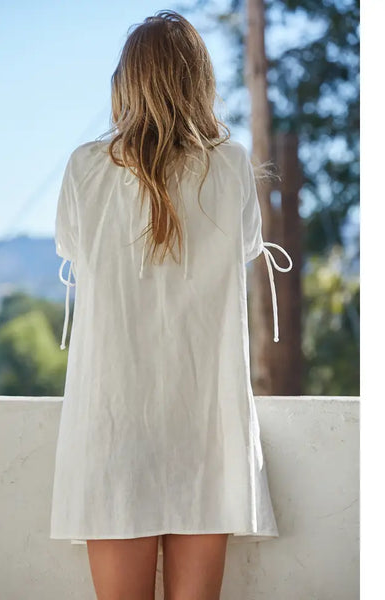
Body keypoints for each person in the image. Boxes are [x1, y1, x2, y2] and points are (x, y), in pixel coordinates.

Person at [50, 9, 292, 600]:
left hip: (111, 420)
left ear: (126, 81)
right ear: (199, 80)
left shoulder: (85, 168)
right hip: (206, 425)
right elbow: (245, 246)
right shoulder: (230, 165)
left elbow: (73, 248)